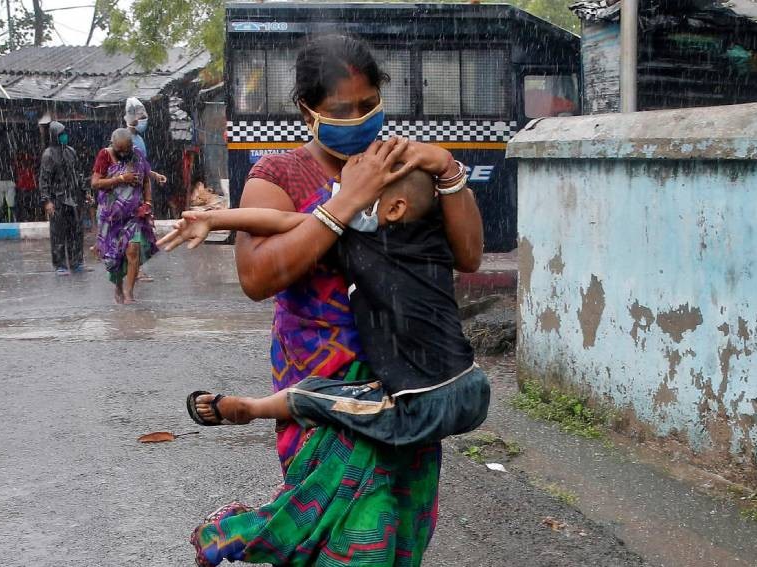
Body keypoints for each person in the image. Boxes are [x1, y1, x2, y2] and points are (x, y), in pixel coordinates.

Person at [170, 34, 483, 567]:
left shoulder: (401, 167)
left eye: (368, 105)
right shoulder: (279, 174)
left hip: (404, 381)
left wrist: (448, 169)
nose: (359, 119)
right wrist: (351, 198)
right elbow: (257, 275)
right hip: (321, 384)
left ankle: (243, 532)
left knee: (392, 532)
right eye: (342, 110)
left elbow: (469, 254)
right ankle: (242, 531)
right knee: (336, 535)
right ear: (307, 110)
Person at [163, 164, 490, 447]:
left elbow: (279, 220)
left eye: (357, 196)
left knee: (318, 395)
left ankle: (251, 408)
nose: (343, 204)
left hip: (423, 404)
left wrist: (215, 220)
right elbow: (465, 202)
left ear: (394, 209)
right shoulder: (433, 236)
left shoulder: (356, 239)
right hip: (473, 386)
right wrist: (446, 167)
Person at [91, 128, 158, 304]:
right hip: (110, 217)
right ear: (113, 145)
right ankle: (118, 287)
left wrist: (148, 202)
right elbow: (96, 182)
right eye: (120, 150)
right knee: (114, 257)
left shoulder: (136, 155)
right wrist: (121, 179)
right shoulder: (104, 155)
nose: (123, 153)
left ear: (131, 146)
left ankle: (129, 292)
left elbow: (145, 180)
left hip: (133, 215)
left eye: (126, 149)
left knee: (133, 249)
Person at [122, 96, 166, 282]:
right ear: (131, 117)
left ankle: (136, 268)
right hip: (127, 195)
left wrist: (154, 175)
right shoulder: (122, 138)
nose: (143, 120)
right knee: (134, 236)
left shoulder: (139, 139)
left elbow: (143, 166)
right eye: (140, 116)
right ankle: (132, 270)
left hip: (141, 194)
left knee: (142, 234)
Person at [39, 121, 86, 275]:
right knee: (58, 233)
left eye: (64, 133)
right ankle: (60, 265)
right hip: (57, 199)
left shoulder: (71, 151)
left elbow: (78, 173)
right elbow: (44, 180)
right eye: (61, 134)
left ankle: (76, 262)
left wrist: (85, 192)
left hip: (73, 197)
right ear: (55, 136)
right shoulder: (48, 155)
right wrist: (47, 201)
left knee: (76, 232)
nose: (65, 136)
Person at [14, 153, 38, 222]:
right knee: (26, 205)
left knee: (25, 205)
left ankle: (26, 218)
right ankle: (27, 218)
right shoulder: (28, 167)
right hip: (26, 188)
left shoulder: (26, 167)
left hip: (27, 188)